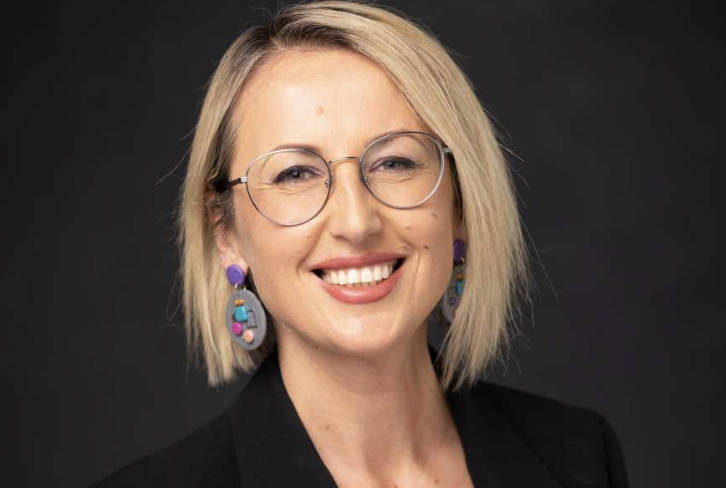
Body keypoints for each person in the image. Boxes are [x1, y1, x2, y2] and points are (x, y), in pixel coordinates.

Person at [93, 1, 629, 486]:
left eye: (394, 162)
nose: (356, 221)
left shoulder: (580, 457)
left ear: (460, 206)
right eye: (295, 174)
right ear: (227, 234)